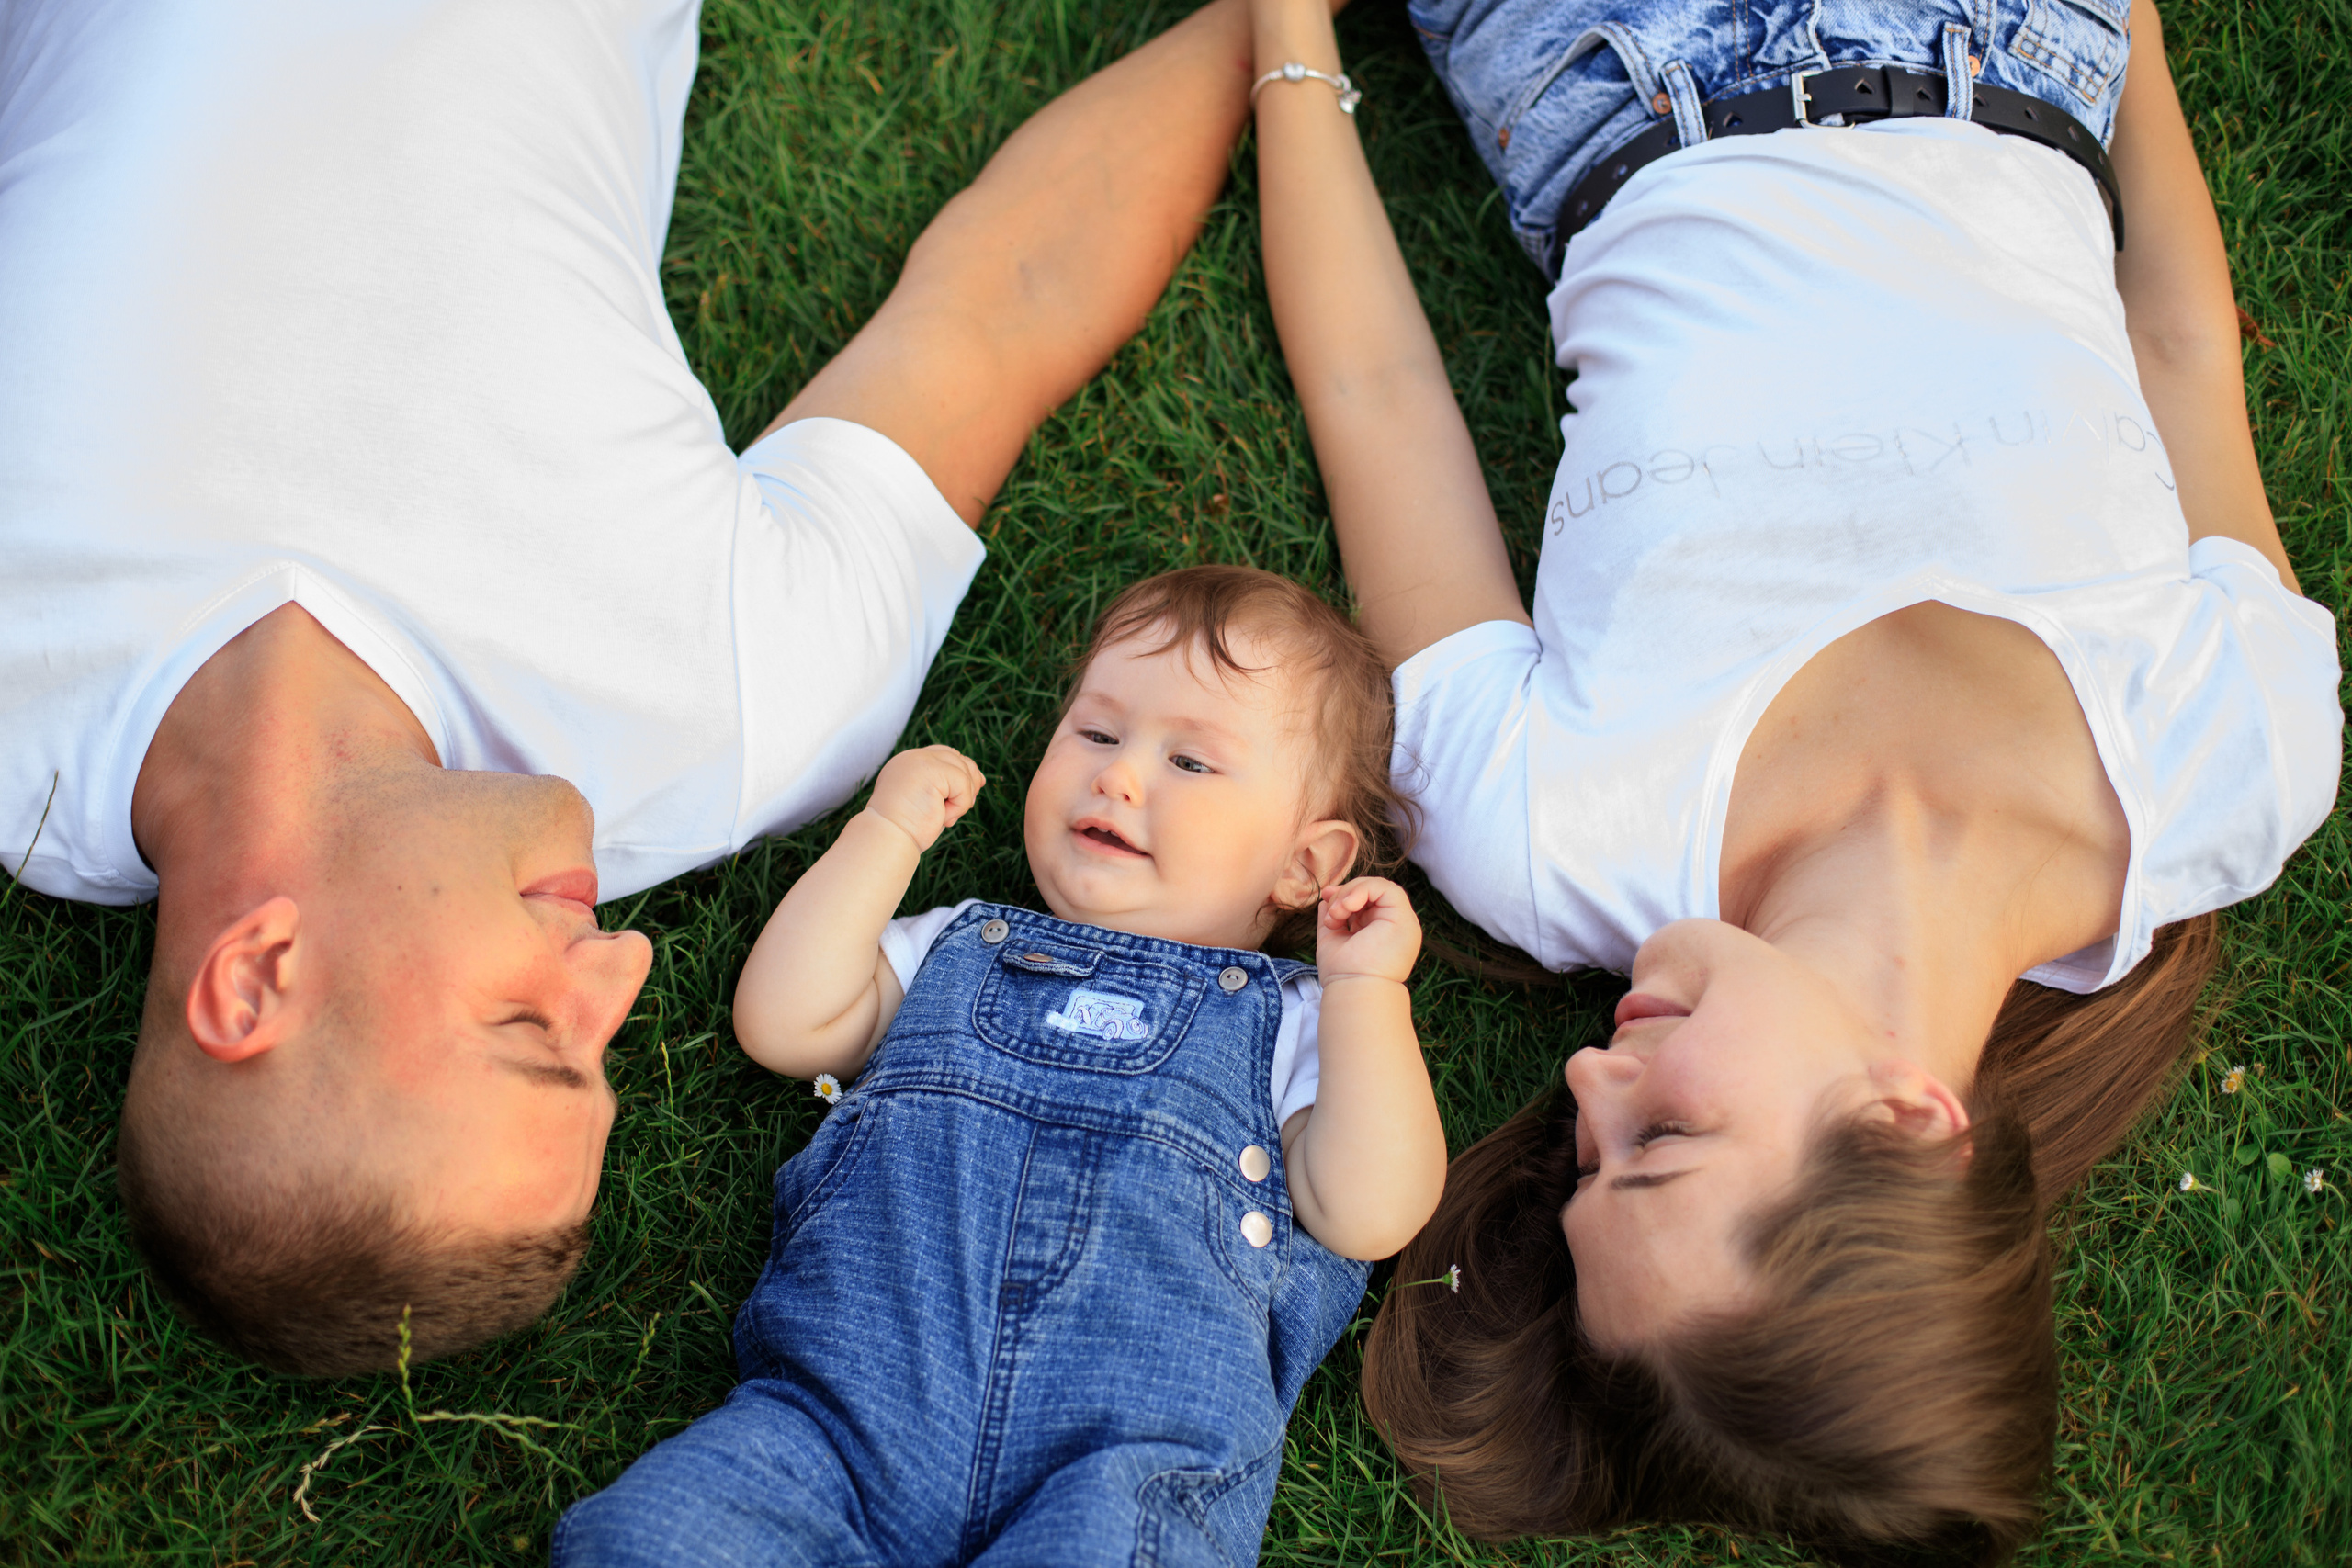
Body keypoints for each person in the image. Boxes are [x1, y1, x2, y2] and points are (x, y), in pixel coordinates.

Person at [0, 0, 1266, 1376]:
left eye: (530, 1026)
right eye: (599, 1044)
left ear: (258, 977)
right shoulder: (728, 712)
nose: (625, 965)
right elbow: (1012, 290)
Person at [1243, 0, 2339, 1560]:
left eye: (1586, 1163)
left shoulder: (1548, 836)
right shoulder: (2240, 759)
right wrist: (2135, 40)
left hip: (1612, 67)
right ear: (1908, 1120)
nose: (1586, 1087)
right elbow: (2171, 342)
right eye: (1663, 1143)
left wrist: (1287, 34)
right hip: (2020, 48)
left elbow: (1376, 396)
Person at [549, 566, 1444, 1565]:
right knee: (654, 1540)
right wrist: (884, 836)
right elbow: (786, 1023)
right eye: (1097, 734)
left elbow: (1370, 1209)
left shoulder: (1297, 1025)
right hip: (839, 1423)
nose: (1119, 775)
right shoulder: (954, 948)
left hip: (1122, 1469)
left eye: (1190, 761)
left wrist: (1370, 994)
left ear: (1308, 867)